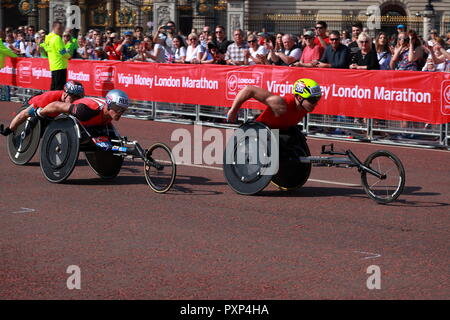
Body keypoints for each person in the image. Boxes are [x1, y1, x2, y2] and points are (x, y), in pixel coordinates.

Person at [226, 78, 322, 130]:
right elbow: (249, 89)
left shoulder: (304, 107)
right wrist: (233, 111)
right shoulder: (281, 104)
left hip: (277, 134)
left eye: (317, 99)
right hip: (258, 131)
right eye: (313, 100)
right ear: (300, 98)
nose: (316, 104)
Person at [0, 81, 85, 136]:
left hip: (51, 114)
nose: (75, 100)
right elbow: (23, 114)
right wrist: (9, 130)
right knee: (34, 124)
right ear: (65, 94)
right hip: (36, 104)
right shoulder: (49, 98)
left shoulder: (74, 102)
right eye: (73, 97)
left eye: (78, 98)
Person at [30, 89, 129, 127]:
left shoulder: (109, 116)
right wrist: (40, 113)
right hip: (78, 113)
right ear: (108, 105)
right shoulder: (85, 111)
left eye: (123, 109)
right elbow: (56, 105)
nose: (120, 112)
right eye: (117, 108)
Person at [40, 21, 71, 90]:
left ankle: (51, 100)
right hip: (60, 65)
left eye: (62, 28)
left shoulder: (48, 38)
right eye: (59, 28)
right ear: (54, 28)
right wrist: (69, 56)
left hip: (53, 65)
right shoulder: (57, 38)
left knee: (54, 87)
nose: (61, 30)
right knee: (59, 89)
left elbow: (47, 49)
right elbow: (62, 52)